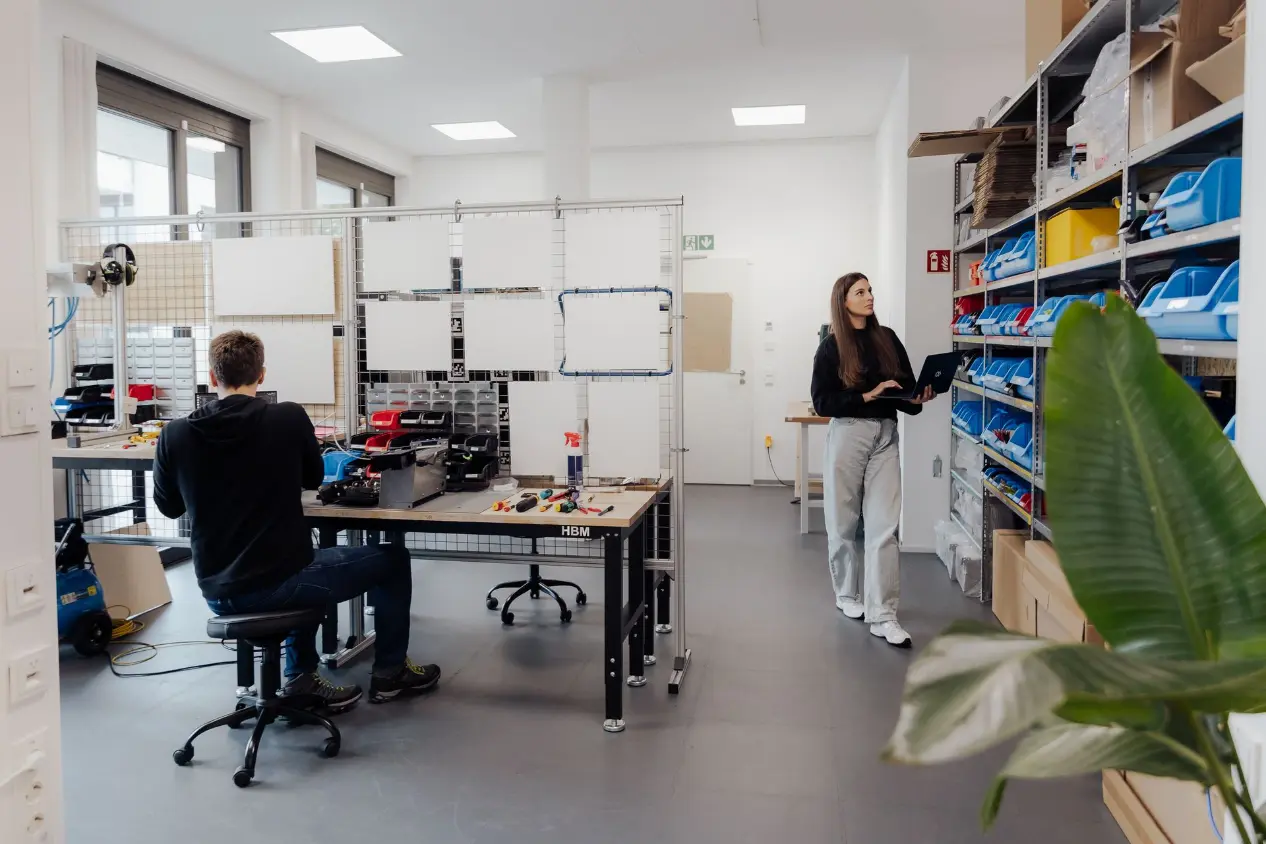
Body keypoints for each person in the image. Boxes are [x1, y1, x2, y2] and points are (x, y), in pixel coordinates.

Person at [154, 330, 440, 710]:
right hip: (279, 583)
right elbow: (313, 478)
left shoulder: (174, 434)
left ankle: (303, 675)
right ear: (262, 374)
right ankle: (389, 673)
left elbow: (168, 507)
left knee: (301, 556)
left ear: (211, 377)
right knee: (392, 559)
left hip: (218, 590)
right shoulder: (287, 417)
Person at [810, 273, 933, 648]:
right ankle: (847, 594)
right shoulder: (831, 347)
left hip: (885, 435)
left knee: (884, 527)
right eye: (860, 292)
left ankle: (883, 615)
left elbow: (905, 392)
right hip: (849, 433)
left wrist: (917, 397)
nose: (869, 297)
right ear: (843, 301)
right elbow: (822, 403)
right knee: (843, 522)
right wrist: (867, 395)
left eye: (870, 290)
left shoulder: (888, 339)